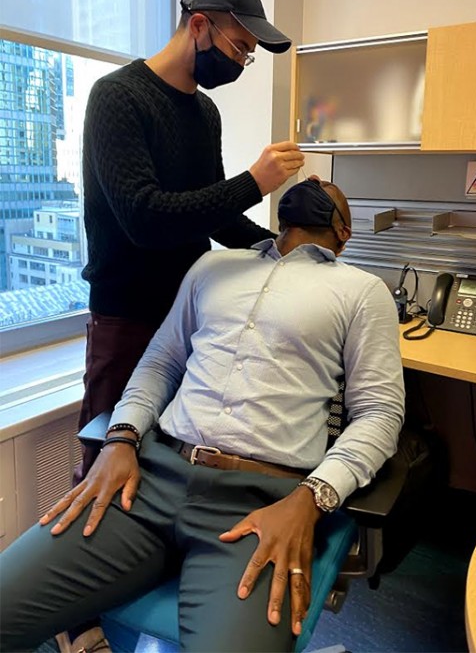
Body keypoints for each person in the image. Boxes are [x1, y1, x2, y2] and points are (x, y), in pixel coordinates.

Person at [0, 178, 405, 653]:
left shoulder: (362, 291)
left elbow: (380, 413)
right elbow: (160, 363)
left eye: (327, 189)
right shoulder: (214, 266)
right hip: (148, 482)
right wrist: (120, 437)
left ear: (344, 232)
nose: (313, 182)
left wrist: (312, 498)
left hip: (258, 507)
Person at [78, 0, 304, 481]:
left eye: (248, 54)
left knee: (168, 463)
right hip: (127, 321)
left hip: (190, 318)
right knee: (106, 464)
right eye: (240, 47)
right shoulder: (117, 97)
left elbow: (216, 215)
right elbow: (145, 219)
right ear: (199, 25)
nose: (241, 62)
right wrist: (255, 181)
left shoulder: (205, 113)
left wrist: (286, 248)